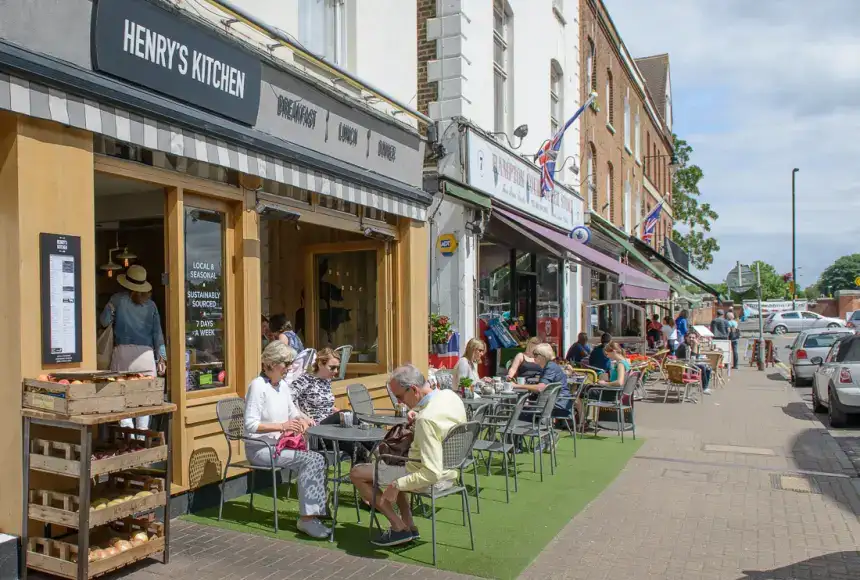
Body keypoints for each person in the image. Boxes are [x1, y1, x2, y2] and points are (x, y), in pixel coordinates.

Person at [349, 364, 467, 547]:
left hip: (433, 478)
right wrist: (418, 412)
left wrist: (397, 485)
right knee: (395, 464)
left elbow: (431, 473)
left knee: (357, 473)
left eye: (399, 397)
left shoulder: (427, 420)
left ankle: (398, 527)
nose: (399, 403)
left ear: (413, 389)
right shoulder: (450, 396)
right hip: (451, 470)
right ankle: (409, 525)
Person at [244, 341, 330, 539]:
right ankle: (307, 519)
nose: (290, 367)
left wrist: (304, 419)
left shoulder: (281, 385)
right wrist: (283, 426)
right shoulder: (258, 386)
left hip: (280, 445)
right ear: (272, 364)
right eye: (286, 363)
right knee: (312, 459)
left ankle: (314, 514)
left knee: (318, 457)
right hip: (261, 448)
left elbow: (293, 411)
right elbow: (250, 425)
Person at [99, 265, 165, 432]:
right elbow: (158, 334)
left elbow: (103, 322)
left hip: (123, 354)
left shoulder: (116, 299)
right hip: (146, 355)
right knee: (145, 401)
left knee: (123, 400)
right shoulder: (151, 306)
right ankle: (142, 437)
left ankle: (127, 440)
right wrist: (162, 357)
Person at [289, 347, 340, 424]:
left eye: (337, 368)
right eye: (332, 367)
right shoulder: (305, 380)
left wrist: (335, 409)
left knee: (348, 415)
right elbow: (287, 402)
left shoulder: (326, 381)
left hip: (329, 425)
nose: (336, 371)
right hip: (315, 425)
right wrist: (304, 418)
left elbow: (322, 405)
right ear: (320, 364)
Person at [520, 343, 571, 418]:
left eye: (535, 355)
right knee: (522, 411)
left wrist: (517, 385)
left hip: (557, 405)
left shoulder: (550, 367)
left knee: (518, 414)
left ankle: (540, 426)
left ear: (542, 356)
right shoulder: (549, 366)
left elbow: (540, 388)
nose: (533, 357)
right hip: (555, 403)